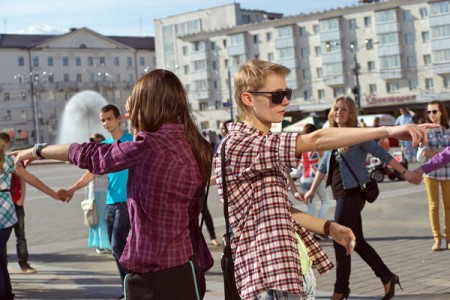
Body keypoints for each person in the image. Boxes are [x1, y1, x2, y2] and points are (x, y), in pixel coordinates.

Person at [213, 59, 433, 300]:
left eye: (287, 93)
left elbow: (279, 210)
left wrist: (328, 227)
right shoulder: (241, 144)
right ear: (248, 98)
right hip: (267, 277)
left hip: (287, 270)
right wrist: (388, 131)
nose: (286, 100)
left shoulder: (261, 141)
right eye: (277, 95)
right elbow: (316, 140)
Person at [10, 69, 214, 298]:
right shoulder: (197, 145)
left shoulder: (148, 146)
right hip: (189, 266)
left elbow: (88, 154)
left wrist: (37, 150)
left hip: (156, 270)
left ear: (148, 105)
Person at [305, 96, 420, 300]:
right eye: (336, 109)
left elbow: (382, 154)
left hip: (353, 193)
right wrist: (311, 190)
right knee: (356, 241)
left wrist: (405, 173)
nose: (339, 112)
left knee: (340, 238)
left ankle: (341, 289)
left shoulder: (358, 135)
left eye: (344, 109)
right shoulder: (332, 136)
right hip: (341, 193)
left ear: (351, 114)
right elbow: (323, 167)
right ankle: (387, 277)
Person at [59, 104, 132, 295]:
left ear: (118, 119)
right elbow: (92, 172)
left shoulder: (131, 140)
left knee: (118, 244)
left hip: (128, 201)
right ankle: (127, 288)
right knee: (115, 247)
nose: (106, 123)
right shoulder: (105, 146)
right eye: (103, 120)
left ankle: (133, 285)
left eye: (109, 118)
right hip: (110, 202)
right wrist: (72, 189)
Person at [0, 138, 62, 299]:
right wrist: (53, 194)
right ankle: (7, 294)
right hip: (6, 212)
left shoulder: (7, 159)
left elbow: (29, 178)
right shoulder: (8, 159)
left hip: (4, 213)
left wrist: (54, 194)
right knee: (1, 259)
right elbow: (30, 178)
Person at [414, 100, 450, 251]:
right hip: (431, 174)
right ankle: (437, 238)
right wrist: (443, 153)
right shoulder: (425, 131)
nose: (431, 115)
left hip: (448, 173)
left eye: (434, 111)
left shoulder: (448, 129)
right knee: (433, 206)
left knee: (448, 206)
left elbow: (430, 152)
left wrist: (434, 153)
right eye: (428, 112)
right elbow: (423, 153)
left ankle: (449, 237)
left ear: (441, 112)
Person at [0, 133, 37, 273]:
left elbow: (23, 179)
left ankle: (24, 263)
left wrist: (22, 198)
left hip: (16, 201)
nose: (2, 146)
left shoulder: (13, 159)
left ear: (8, 143)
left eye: (4, 144)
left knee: (20, 234)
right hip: (5, 202)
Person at [289, 124, 330, 219]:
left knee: (310, 205)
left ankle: (310, 227)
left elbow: (300, 166)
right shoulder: (318, 146)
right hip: (316, 177)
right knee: (325, 200)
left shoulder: (302, 148)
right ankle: (320, 223)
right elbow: (324, 160)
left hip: (304, 179)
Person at [86, 133, 111, 254]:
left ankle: (104, 243)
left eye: (102, 142)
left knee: (104, 218)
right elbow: (94, 173)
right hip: (96, 190)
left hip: (106, 189)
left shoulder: (106, 154)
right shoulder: (92, 156)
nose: (100, 145)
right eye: (97, 143)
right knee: (98, 218)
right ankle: (101, 244)